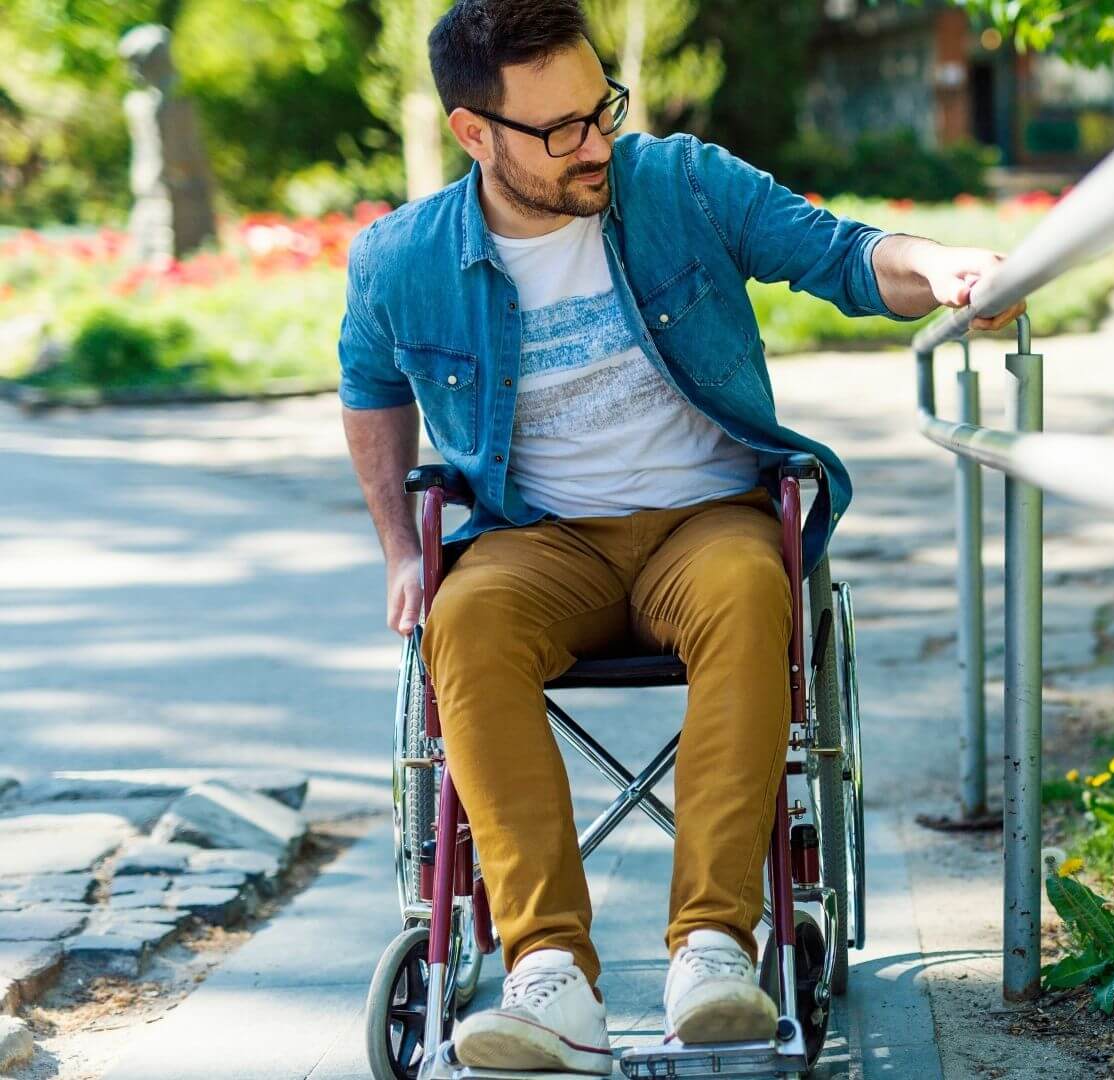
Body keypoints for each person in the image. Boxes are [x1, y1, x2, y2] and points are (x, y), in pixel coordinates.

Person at [336, 0, 1023, 1071]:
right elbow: (371, 387)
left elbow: (843, 255)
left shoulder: (680, 184)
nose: (595, 144)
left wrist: (942, 269)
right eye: (559, 129)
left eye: (601, 108)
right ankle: (549, 977)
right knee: (462, 623)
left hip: (707, 523)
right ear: (475, 133)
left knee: (752, 590)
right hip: (539, 537)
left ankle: (713, 950)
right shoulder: (400, 261)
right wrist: (397, 547)